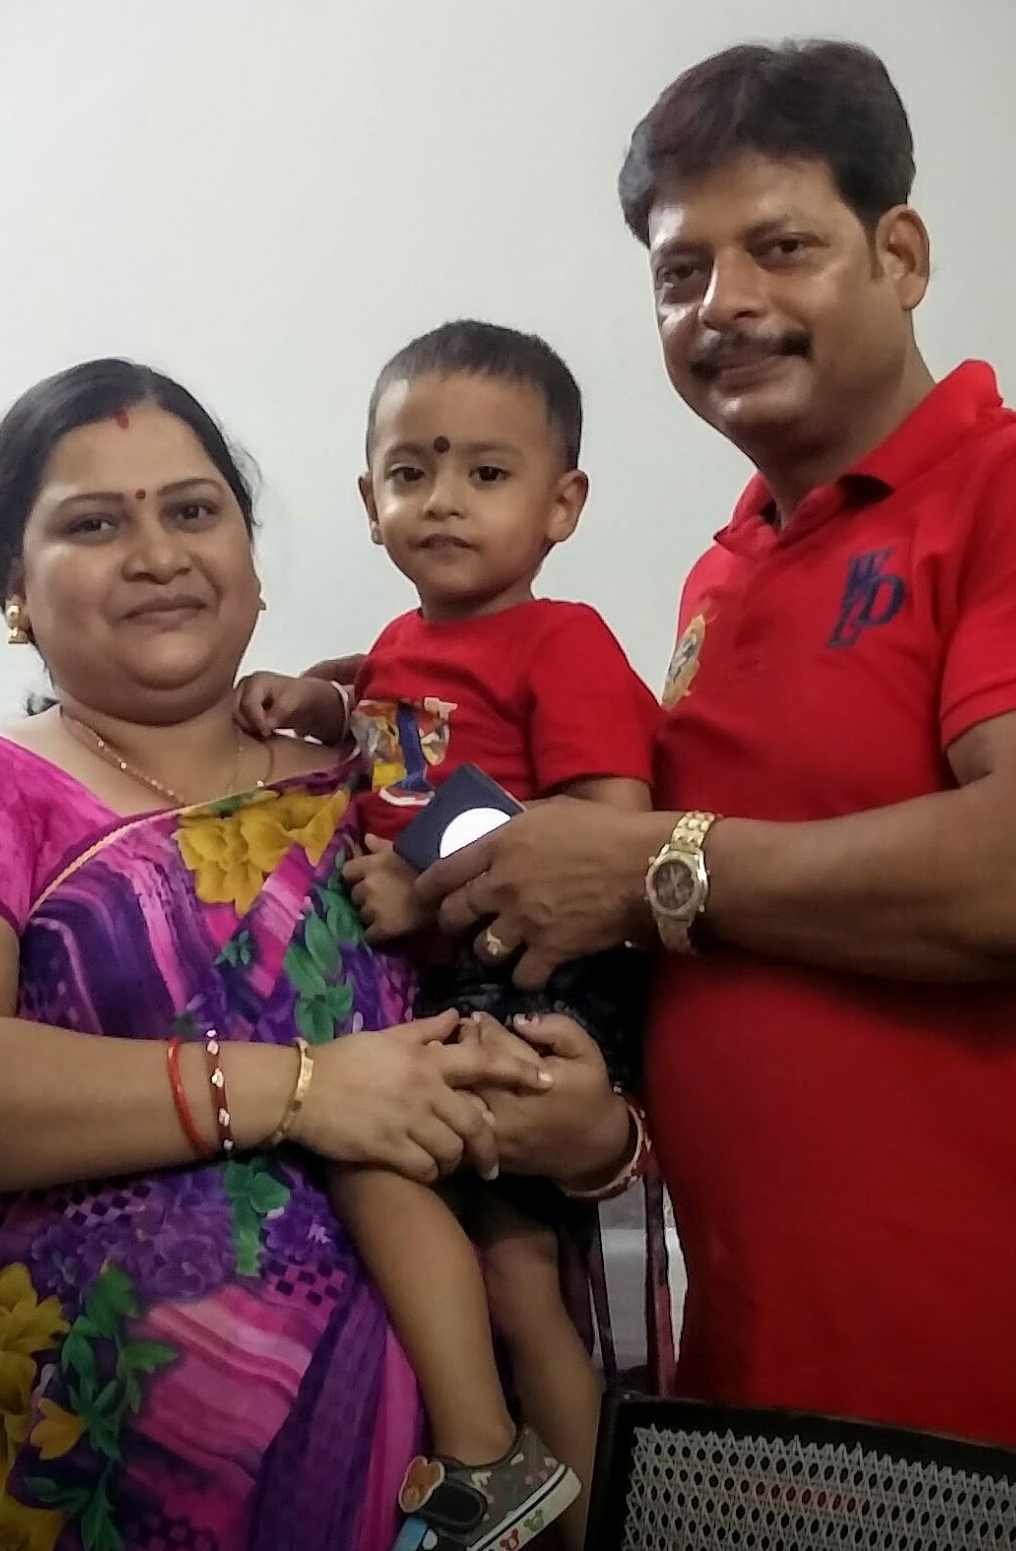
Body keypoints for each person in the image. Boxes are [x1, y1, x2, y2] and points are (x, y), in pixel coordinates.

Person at [412, 40, 1016, 1539]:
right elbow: (735, 958)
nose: (721, 304)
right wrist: (596, 1103)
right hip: (758, 1388)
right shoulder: (719, 577)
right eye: (679, 273)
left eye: (781, 247)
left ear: (900, 254)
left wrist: (644, 863)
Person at [0, 357, 631, 1551]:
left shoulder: (391, 781)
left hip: (432, 1474)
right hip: (70, 1480)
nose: (157, 554)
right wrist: (303, 1087)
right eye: (94, 524)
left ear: (248, 554)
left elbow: (553, 952)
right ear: (14, 586)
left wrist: (597, 1139)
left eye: (193, 510)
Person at [237, 321, 661, 1551]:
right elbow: (401, 734)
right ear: (368, 501)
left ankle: (513, 1480)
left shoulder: (563, 640)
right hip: (454, 982)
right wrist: (318, 702)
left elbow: (605, 823)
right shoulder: (396, 650)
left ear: (561, 504)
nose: (444, 500)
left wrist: (425, 887)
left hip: (538, 977)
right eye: (411, 471)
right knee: (505, 1280)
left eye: (487, 472)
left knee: (435, 1206)